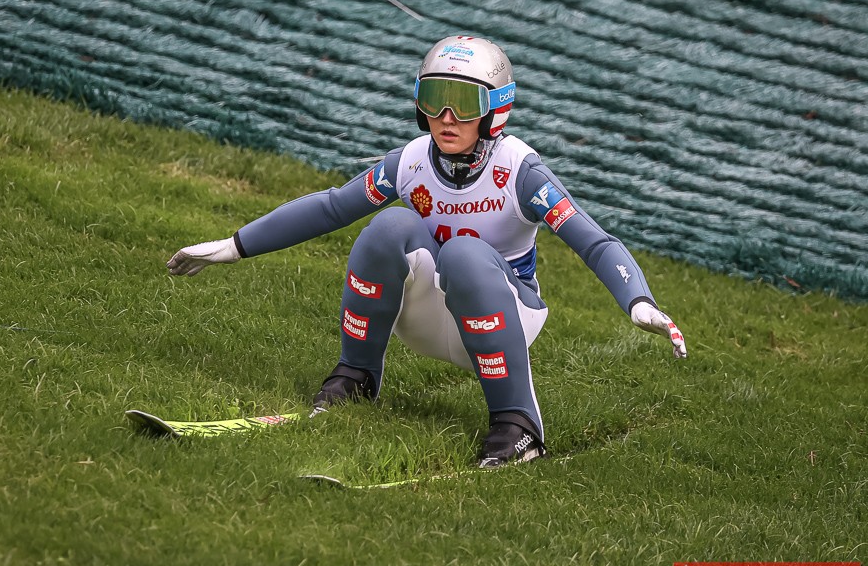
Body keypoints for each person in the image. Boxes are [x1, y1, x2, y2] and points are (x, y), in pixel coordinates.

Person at [167, 35, 687, 467]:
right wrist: (234, 246)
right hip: (430, 306)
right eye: (434, 97)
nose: (445, 116)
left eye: (464, 103)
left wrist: (638, 301)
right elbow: (331, 208)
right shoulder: (412, 161)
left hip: (504, 312)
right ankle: (355, 376)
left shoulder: (521, 171)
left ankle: (518, 424)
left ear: (496, 109)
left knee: (463, 252)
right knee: (389, 225)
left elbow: (596, 243)